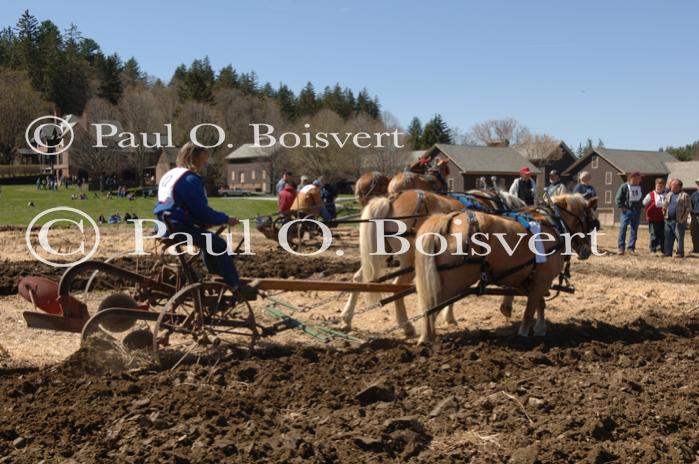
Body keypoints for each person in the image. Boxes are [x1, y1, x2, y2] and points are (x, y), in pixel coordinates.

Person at [153, 142, 256, 299]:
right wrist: (226, 219)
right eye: (203, 160)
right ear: (194, 158)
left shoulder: (171, 174)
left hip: (164, 225)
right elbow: (202, 212)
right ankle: (235, 286)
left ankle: (216, 277)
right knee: (219, 245)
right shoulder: (190, 179)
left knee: (208, 242)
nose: (204, 165)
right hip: (178, 226)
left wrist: (205, 222)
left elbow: (179, 204)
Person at [615, 171, 643, 255]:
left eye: (640, 179)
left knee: (634, 230)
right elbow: (618, 198)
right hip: (626, 211)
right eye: (638, 179)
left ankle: (631, 248)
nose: (639, 180)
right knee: (623, 228)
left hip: (636, 211)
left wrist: (641, 207)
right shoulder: (624, 186)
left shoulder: (639, 187)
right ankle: (621, 248)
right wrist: (622, 207)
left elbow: (640, 198)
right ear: (632, 178)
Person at [662, 179, 691, 258]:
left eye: (673, 186)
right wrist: (664, 214)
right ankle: (668, 252)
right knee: (668, 237)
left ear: (679, 187)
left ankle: (680, 253)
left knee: (679, 237)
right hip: (668, 220)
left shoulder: (684, 195)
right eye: (671, 186)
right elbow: (664, 205)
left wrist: (683, 219)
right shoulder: (669, 194)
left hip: (679, 221)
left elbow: (688, 208)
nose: (671, 187)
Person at [642, 178, 667, 254]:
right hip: (653, 218)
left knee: (663, 234)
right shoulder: (651, 195)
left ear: (664, 186)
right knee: (653, 234)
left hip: (663, 218)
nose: (659, 188)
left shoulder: (666, 194)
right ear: (655, 186)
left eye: (661, 186)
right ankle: (653, 249)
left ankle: (663, 249)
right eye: (658, 186)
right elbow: (644, 204)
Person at [691, 178, 699, 254]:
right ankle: (696, 249)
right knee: (694, 233)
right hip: (695, 215)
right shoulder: (694, 195)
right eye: (697, 184)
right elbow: (691, 206)